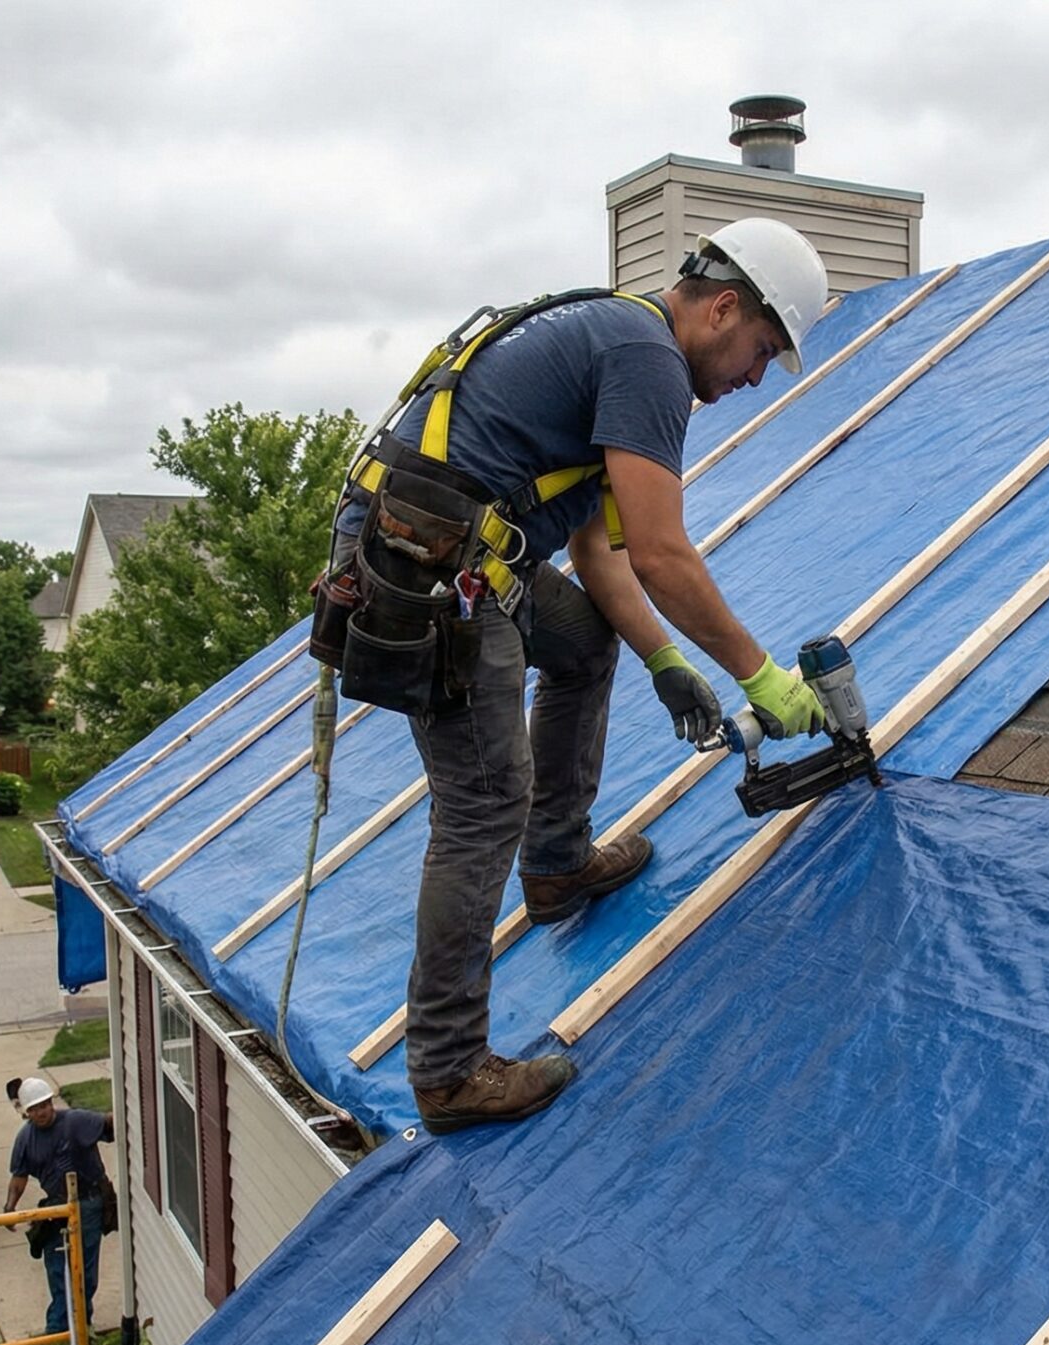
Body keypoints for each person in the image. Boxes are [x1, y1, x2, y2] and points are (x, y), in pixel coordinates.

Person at [333, 218, 835, 1135]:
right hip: (432, 568)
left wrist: (666, 659)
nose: (755, 377)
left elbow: (597, 555)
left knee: (581, 640)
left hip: (453, 546)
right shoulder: (648, 360)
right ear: (723, 306)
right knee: (484, 800)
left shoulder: (617, 329)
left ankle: (559, 865)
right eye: (761, 350)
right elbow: (661, 554)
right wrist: (761, 676)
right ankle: (447, 1069)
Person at [3, 1076, 112, 1339]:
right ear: (27, 1112)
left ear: (51, 1103)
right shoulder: (25, 1139)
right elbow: (19, 1177)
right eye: (34, 1109)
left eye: (44, 1105)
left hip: (88, 1203)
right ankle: (59, 1329)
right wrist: (10, 1208)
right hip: (56, 1207)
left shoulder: (76, 1121)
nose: (40, 1112)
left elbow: (111, 1122)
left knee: (84, 1270)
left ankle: (80, 1327)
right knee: (56, 1266)